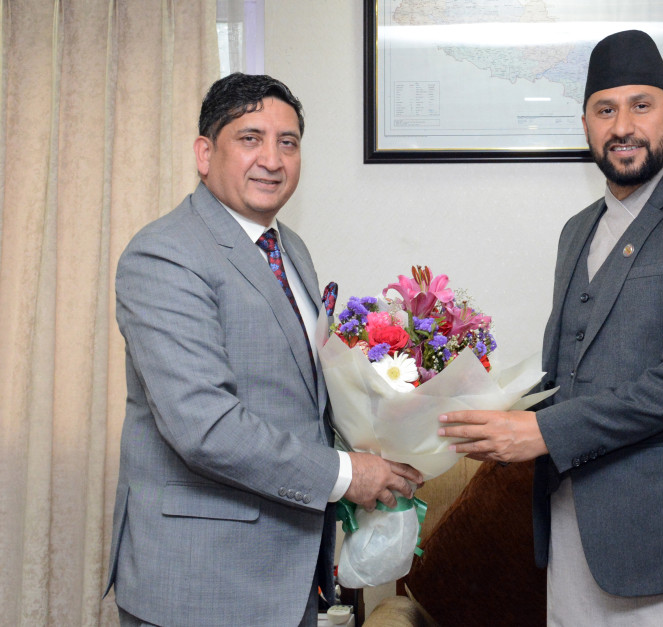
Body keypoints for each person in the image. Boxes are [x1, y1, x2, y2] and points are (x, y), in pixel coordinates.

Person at [438, 31, 663, 625]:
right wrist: (447, 404)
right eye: (605, 110)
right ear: (585, 125)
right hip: (576, 542)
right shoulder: (576, 231)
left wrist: (542, 431)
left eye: (641, 106)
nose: (622, 126)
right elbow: (567, 375)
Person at [104, 73, 423, 626]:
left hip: (288, 576)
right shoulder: (165, 254)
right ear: (205, 153)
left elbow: (300, 396)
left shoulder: (288, 247)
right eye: (250, 138)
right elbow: (204, 426)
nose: (272, 160)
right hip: (200, 584)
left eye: (288, 142)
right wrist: (348, 474)